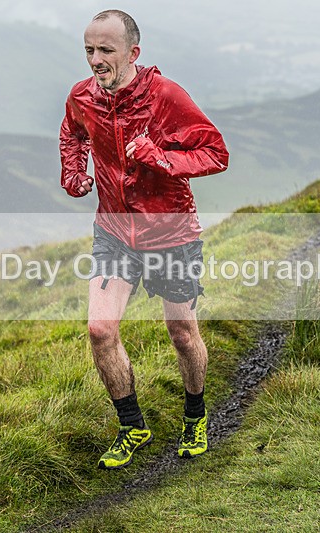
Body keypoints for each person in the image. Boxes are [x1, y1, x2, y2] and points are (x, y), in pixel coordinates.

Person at [59, 9, 229, 469]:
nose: (95, 60)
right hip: (114, 234)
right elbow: (73, 132)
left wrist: (162, 158)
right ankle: (132, 426)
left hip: (172, 233)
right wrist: (73, 171)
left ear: (133, 53)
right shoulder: (82, 96)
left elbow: (216, 152)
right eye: (89, 50)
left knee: (181, 332)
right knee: (99, 331)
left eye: (105, 51)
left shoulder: (166, 97)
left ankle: (195, 416)